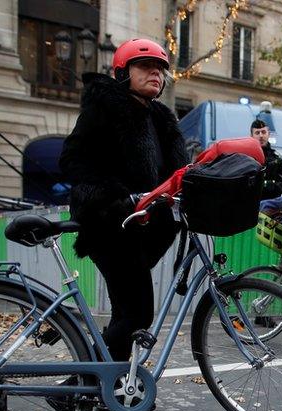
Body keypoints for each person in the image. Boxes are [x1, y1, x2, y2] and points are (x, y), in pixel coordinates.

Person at [60, 38, 188, 377]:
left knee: (126, 313)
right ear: (122, 73)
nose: (156, 74)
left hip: (140, 229)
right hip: (109, 225)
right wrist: (116, 196)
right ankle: (80, 385)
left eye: (160, 69)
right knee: (137, 314)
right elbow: (73, 160)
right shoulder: (104, 107)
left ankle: (108, 386)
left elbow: (177, 173)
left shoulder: (160, 118)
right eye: (146, 67)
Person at [250, 119, 282, 201]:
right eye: (257, 133)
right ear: (251, 136)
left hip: (271, 209)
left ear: (268, 134)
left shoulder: (277, 160)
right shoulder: (246, 159)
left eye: (263, 132)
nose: (261, 136)